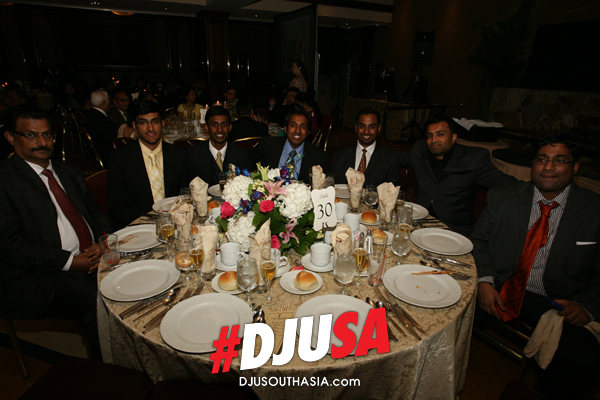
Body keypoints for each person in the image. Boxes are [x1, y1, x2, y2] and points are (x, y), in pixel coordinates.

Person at [472, 133, 600, 400]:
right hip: (502, 285)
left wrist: (586, 306)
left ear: (575, 167)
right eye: (542, 159)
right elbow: (480, 240)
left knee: (583, 361)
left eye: (560, 160)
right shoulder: (503, 197)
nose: (549, 167)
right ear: (533, 164)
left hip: (561, 302)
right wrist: (484, 280)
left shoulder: (594, 210)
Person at [0, 107, 111, 360]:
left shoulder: (69, 172)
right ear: (10, 137)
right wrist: (70, 262)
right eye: (31, 135)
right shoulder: (5, 180)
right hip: (41, 273)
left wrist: (102, 243)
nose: (42, 142)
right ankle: (108, 369)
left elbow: (96, 213)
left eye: (48, 134)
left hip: (92, 255)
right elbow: (9, 244)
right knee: (99, 301)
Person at [397, 117, 516, 236]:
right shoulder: (420, 150)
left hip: (454, 230)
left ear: (453, 137)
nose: (434, 140)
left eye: (440, 134)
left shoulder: (473, 160)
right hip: (420, 224)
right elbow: (399, 158)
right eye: (429, 135)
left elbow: (508, 185)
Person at [107, 100, 190, 229]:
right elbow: (116, 206)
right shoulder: (120, 158)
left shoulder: (178, 155)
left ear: (162, 123)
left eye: (155, 121)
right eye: (143, 122)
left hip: (173, 224)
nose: (150, 128)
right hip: (137, 226)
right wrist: (148, 221)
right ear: (134, 126)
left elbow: (185, 195)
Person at [331, 108, 402, 187]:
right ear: (356, 128)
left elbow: (392, 192)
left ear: (378, 128)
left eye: (372, 127)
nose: (366, 131)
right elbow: (330, 187)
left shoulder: (390, 160)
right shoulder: (339, 156)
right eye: (362, 126)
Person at [252, 108, 328, 182]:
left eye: (303, 127)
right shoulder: (267, 145)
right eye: (293, 125)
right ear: (285, 129)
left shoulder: (319, 157)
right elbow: (249, 167)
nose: (297, 131)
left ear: (308, 132)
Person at [187, 106, 250, 186]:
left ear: (230, 127)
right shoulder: (192, 155)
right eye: (214, 125)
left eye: (224, 124)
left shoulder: (242, 155)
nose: (219, 129)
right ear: (206, 127)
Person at [85, 90, 118, 167]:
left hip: (101, 150)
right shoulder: (99, 119)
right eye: (108, 101)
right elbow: (112, 136)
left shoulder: (91, 114)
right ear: (104, 102)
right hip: (107, 154)